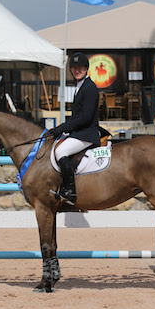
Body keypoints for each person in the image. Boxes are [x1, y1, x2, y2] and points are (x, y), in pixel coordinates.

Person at [48, 52, 101, 205]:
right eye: (74, 68)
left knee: (60, 151)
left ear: (86, 68)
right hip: (79, 132)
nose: (77, 70)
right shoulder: (80, 86)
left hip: (87, 133)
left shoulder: (89, 87)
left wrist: (63, 127)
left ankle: (70, 191)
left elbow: (85, 116)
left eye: (80, 68)